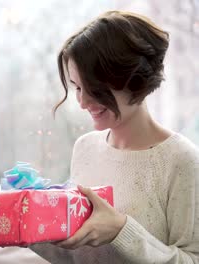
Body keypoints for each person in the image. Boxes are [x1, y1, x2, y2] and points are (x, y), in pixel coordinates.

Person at [30, 11, 199, 263]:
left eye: (95, 89)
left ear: (135, 81)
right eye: (77, 87)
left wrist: (121, 231)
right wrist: (25, 225)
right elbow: (77, 256)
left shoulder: (182, 161)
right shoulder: (85, 148)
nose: (83, 102)